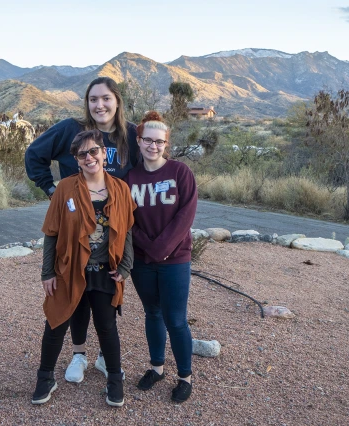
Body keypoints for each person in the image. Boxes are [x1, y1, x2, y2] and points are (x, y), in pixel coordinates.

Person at [25, 77, 138, 383]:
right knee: (75, 295)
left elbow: (145, 169)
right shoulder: (69, 129)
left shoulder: (130, 135)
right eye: (92, 99)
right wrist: (52, 190)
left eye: (105, 98)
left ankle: (103, 358)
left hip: (111, 230)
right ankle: (78, 355)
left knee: (105, 297)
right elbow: (33, 155)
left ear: (117, 101)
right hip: (74, 226)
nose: (99, 105)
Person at [125, 111, 198, 403]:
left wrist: (162, 249)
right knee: (152, 313)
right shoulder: (130, 178)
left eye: (159, 141)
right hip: (143, 262)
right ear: (139, 141)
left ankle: (185, 377)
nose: (153, 146)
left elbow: (186, 215)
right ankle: (157, 368)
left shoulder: (180, 172)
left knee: (176, 320)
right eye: (147, 140)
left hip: (175, 259)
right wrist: (149, 249)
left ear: (166, 143)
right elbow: (127, 220)